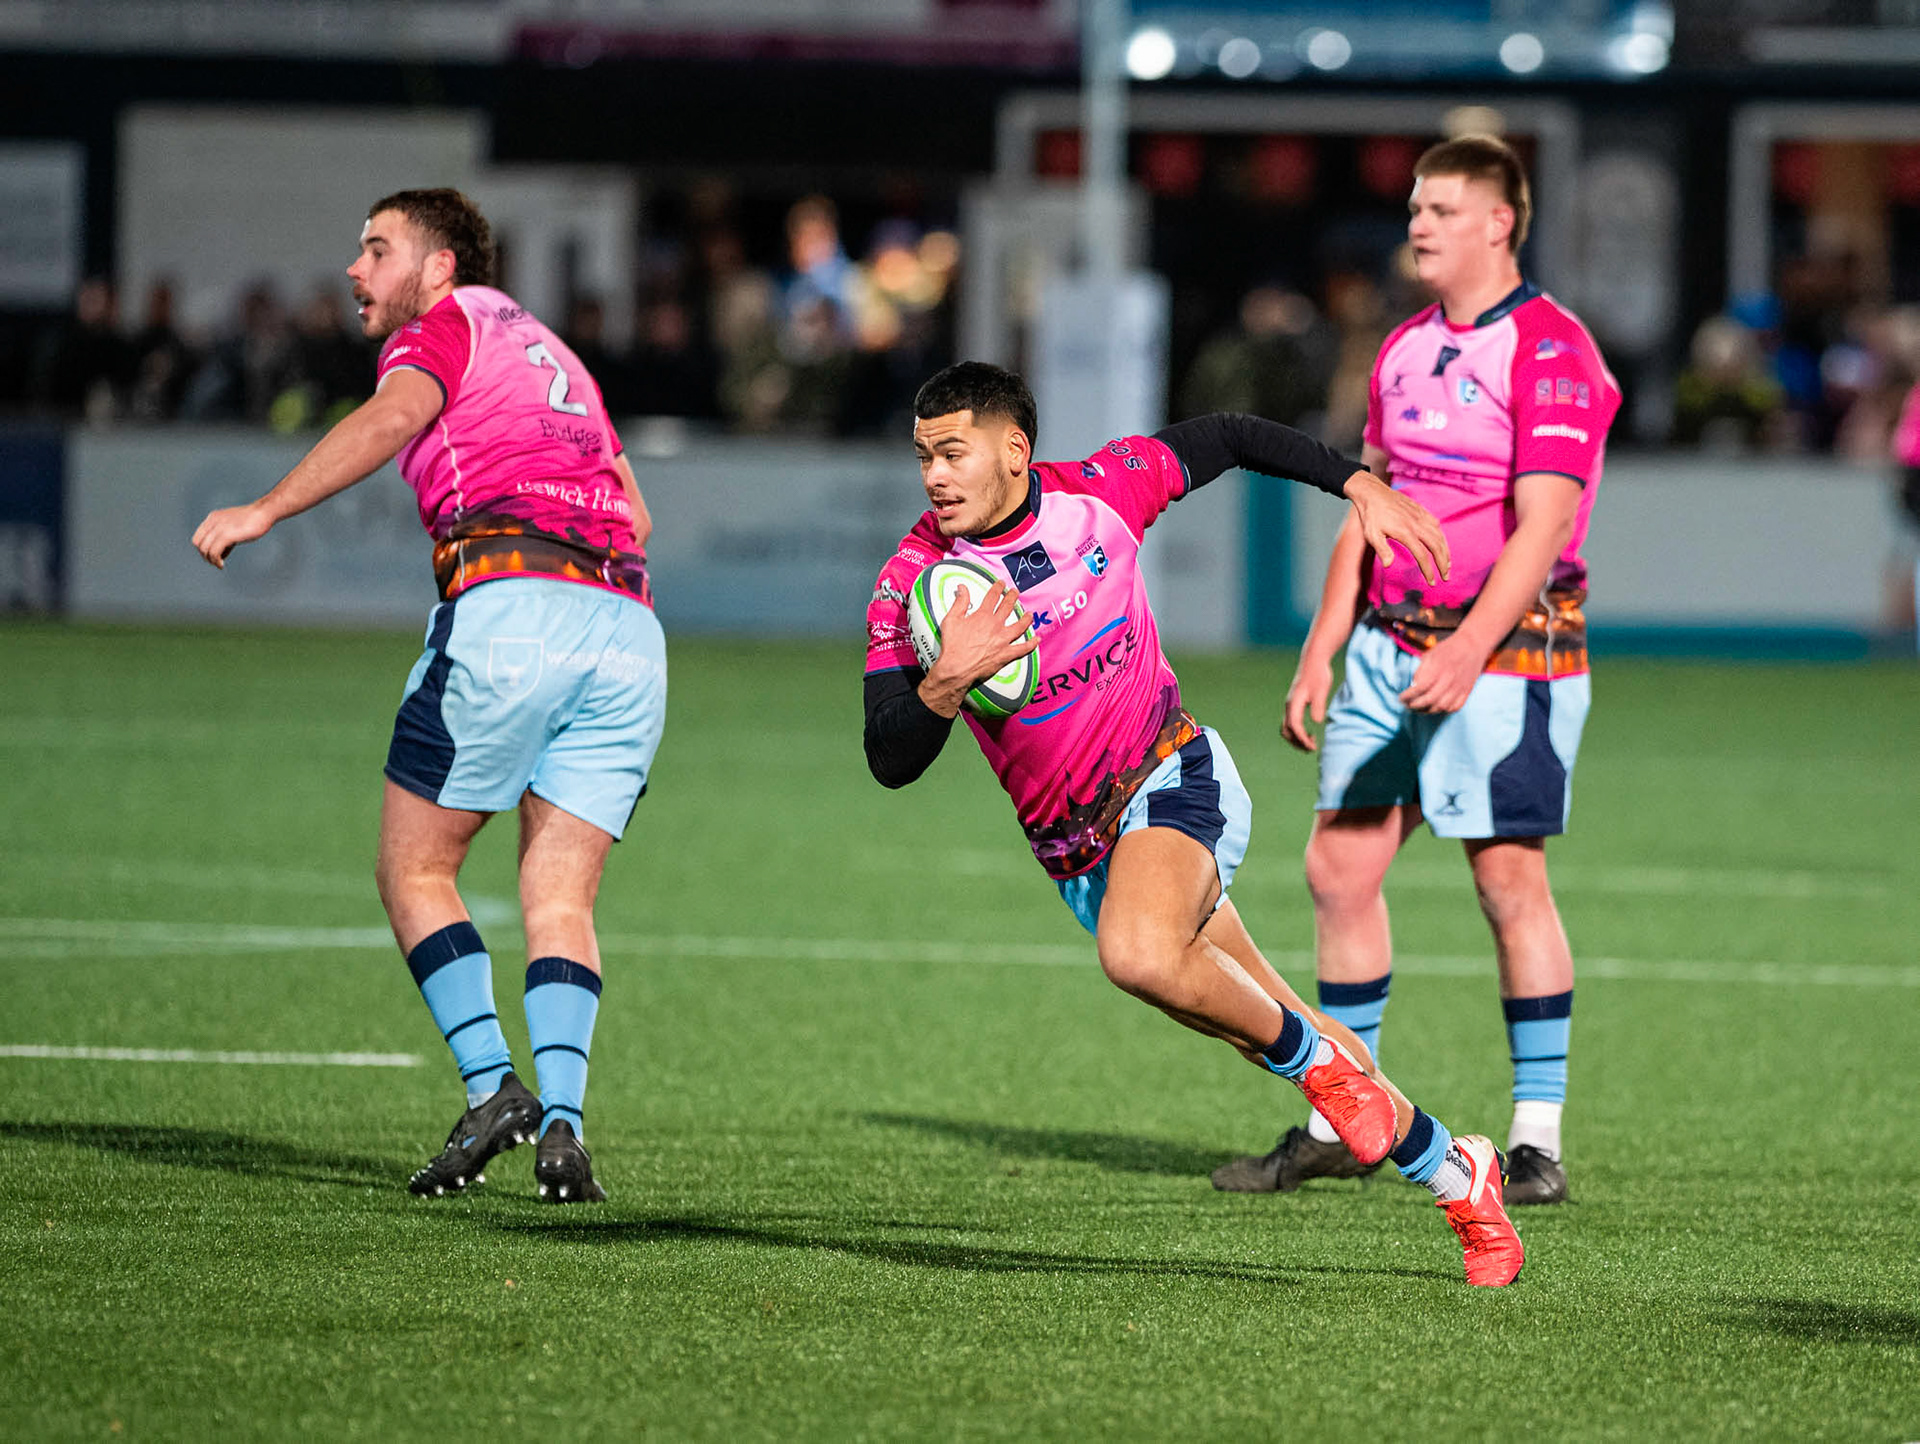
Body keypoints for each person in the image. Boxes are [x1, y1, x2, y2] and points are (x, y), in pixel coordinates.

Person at [864, 360, 1526, 1287]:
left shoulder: (1100, 491)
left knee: (1140, 956)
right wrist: (942, 684)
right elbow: (888, 757)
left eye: (952, 451)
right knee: (1272, 1020)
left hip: (1171, 773)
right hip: (1080, 856)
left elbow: (1230, 434)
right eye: (924, 456)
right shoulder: (911, 584)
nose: (933, 475)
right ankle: (1462, 1175)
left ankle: (1324, 1077)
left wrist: (1359, 482)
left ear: (1013, 450)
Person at [191, 189, 665, 1205]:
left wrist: (266, 507)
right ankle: (567, 1129)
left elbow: (396, 416)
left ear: (441, 266)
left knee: (413, 867)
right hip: (627, 629)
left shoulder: (444, 327)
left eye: (376, 250)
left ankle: (495, 1084)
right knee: (561, 895)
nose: (357, 271)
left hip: (513, 614)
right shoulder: (556, 357)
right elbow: (636, 506)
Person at [1212, 134, 1620, 1207]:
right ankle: (1343, 1116)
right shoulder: (1400, 348)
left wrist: (1471, 646)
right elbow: (1372, 498)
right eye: (1414, 208)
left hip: (1509, 652)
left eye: (1441, 208)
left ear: (1501, 222)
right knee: (1338, 871)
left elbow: (1544, 523)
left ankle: (1536, 1139)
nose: (1418, 225)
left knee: (1506, 880)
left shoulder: (1550, 349)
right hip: (1390, 647)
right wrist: (1322, 642)